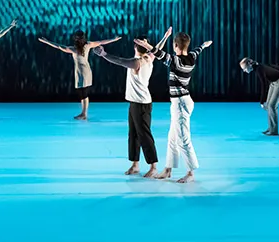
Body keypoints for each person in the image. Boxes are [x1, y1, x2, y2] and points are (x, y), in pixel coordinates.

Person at [93, 28, 173, 177]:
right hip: (135, 103)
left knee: (144, 135)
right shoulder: (149, 57)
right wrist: (165, 37)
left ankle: (153, 166)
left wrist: (104, 54)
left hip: (141, 104)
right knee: (133, 134)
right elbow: (158, 49)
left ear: (135, 47)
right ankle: (135, 164)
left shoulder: (138, 62)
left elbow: (119, 61)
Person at [134, 31, 212, 183]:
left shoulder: (177, 61)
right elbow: (198, 50)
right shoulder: (191, 57)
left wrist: (146, 46)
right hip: (180, 102)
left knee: (183, 138)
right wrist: (204, 45)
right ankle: (168, 169)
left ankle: (190, 173)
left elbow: (160, 54)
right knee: (172, 137)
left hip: (181, 104)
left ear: (175, 45)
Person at [39, 31, 120, 120]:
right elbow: (101, 42)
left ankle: (84, 113)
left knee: (83, 93)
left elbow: (59, 46)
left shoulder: (75, 48)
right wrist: (113, 39)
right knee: (82, 93)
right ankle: (83, 113)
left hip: (83, 72)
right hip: (83, 71)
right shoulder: (86, 45)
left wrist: (47, 41)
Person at [239, 58, 279, 135]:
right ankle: (271, 127)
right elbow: (270, 66)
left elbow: (264, 85)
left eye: (244, 68)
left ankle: (274, 131)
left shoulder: (258, 69)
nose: (244, 70)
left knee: (272, 106)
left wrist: (261, 101)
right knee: (269, 105)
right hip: (274, 83)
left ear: (249, 65)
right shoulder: (257, 66)